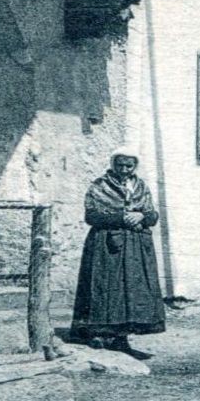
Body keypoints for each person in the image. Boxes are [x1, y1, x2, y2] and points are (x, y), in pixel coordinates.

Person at [71, 148, 165, 356]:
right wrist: (121, 218)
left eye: (129, 166)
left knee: (130, 289)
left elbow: (152, 214)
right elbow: (92, 216)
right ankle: (96, 333)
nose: (124, 169)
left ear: (135, 167)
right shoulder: (100, 185)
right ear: (113, 164)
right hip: (106, 245)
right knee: (104, 286)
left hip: (135, 247)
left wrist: (142, 216)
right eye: (120, 165)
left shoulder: (141, 187)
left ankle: (121, 337)